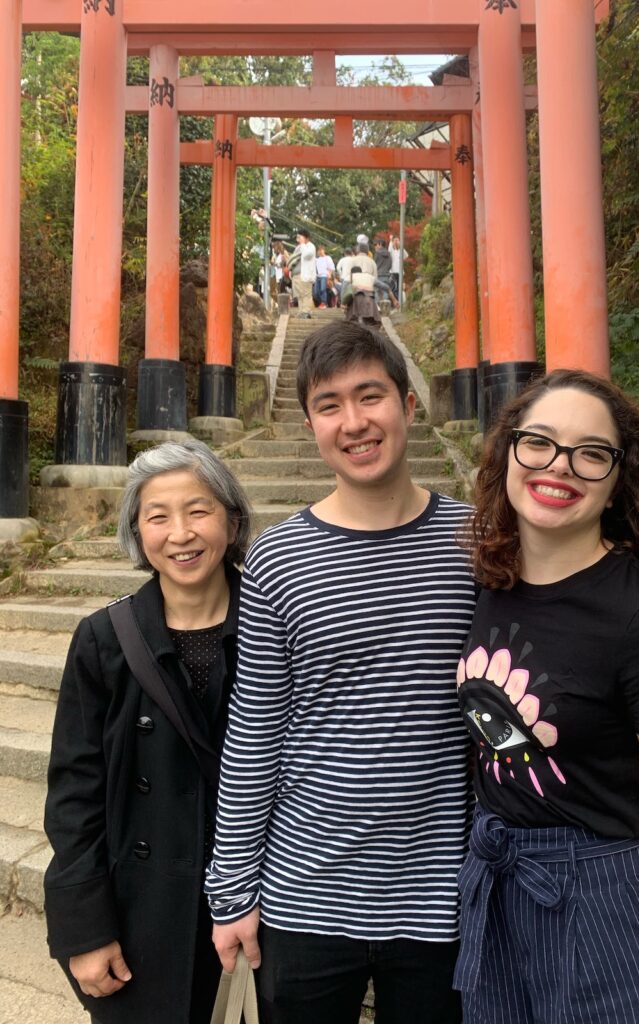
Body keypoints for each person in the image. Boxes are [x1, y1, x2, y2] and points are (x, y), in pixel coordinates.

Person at [205, 322, 477, 1024]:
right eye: (330, 405)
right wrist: (232, 890)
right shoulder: (276, 559)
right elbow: (256, 730)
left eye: (370, 397)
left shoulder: (478, 543)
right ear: (310, 425)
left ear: (409, 406)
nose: (354, 422)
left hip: (440, 899)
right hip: (305, 895)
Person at [453, 369, 639, 1024]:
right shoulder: (492, 582)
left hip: (602, 902)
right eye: (538, 442)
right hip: (497, 882)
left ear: (619, 480)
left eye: (590, 454)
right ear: (509, 452)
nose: (558, 467)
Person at [44, 440, 252, 1024]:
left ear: (232, 521)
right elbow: (73, 794)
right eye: (158, 516)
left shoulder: (274, 625)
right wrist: (84, 930)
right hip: (139, 914)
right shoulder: (103, 639)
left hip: (254, 912)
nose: (180, 533)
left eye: (200, 510)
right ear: (137, 532)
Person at [291, 228, 316, 318]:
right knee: (299, 296)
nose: (298, 238)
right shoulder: (298, 247)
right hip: (297, 275)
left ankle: (306, 312)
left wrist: (302, 244)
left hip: (305, 275)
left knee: (306, 295)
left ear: (306, 238)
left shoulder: (310, 246)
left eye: (300, 236)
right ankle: (301, 312)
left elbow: (307, 255)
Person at [313, 243, 335, 308]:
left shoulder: (328, 258)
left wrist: (329, 276)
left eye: (321, 250)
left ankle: (324, 303)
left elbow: (332, 268)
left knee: (323, 290)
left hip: (325, 276)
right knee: (316, 292)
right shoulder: (317, 259)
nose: (320, 251)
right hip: (318, 276)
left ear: (324, 250)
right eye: (319, 250)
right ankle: (322, 302)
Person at [388, 235, 408, 301]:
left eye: (397, 240)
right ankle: (395, 302)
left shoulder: (401, 251)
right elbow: (389, 250)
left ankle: (400, 302)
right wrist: (391, 241)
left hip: (400, 272)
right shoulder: (392, 252)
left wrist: (400, 245)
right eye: (395, 241)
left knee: (400, 288)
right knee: (393, 288)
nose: (396, 242)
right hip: (392, 272)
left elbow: (406, 256)